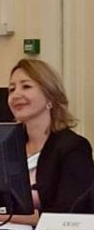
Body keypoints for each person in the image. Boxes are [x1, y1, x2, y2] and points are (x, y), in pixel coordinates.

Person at [6, 58, 94, 221]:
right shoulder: (7, 147)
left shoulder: (73, 147)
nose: (16, 95)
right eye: (12, 89)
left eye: (26, 86)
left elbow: (67, 214)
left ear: (50, 96)